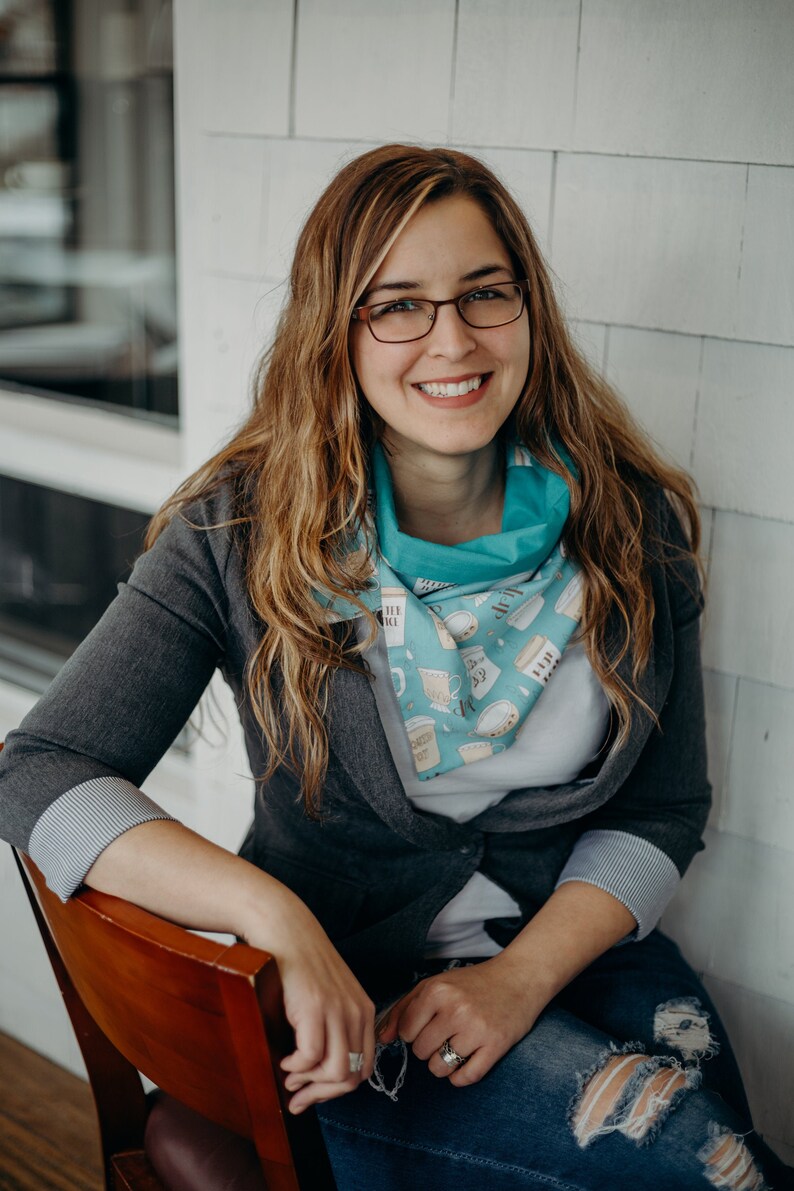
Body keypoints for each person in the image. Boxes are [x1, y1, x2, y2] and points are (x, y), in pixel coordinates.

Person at [1, 144, 791, 1191]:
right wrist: (275, 918)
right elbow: (39, 769)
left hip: (572, 952)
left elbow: (658, 810)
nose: (451, 339)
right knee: (702, 1169)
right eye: (396, 305)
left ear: (527, 310)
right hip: (357, 995)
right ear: (337, 332)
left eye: (482, 294)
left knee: (727, 1150)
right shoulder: (239, 530)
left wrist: (518, 977)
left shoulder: (628, 522)